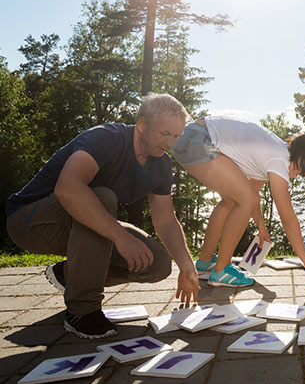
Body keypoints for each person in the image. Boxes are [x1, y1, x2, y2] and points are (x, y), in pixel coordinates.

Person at [5, 93, 200, 339]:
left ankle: (68, 275)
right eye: (165, 134)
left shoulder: (161, 165)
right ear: (142, 125)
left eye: (176, 136)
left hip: (82, 226)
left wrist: (187, 266)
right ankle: (82, 311)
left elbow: (165, 220)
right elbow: (68, 188)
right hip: (31, 221)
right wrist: (121, 237)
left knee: (157, 264)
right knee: (102, 197)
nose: (170, 143)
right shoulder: (106, 138)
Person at [171, 116, 305, 287]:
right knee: (241, 199)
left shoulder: (274, 156)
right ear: (300, 157)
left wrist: (261, 227)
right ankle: (220, 271)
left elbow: (250, 196)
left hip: (191, 138)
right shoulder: (279, 159)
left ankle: (205, 263)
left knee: (231, 200)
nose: (302, 175)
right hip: (198, 140)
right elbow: (287, 218)